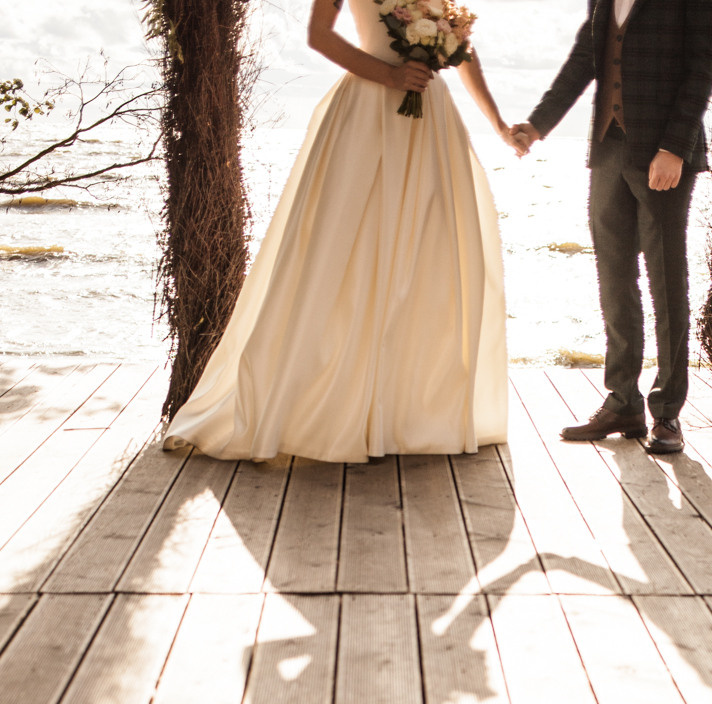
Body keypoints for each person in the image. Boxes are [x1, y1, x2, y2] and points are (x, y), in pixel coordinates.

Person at [163, 0, 518, 464]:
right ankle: (331, 407)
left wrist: (499, 125)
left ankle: (407, 414)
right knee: (342, 254)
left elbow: (462, 49)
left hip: (431, 121)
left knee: (430, 259)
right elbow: (319, 35)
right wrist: (390, 77)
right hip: (366, 114)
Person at [512, 0, 712, 454]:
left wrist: (674, 147)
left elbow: (705, 65)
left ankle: (667, 411)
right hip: (608, 148)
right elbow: (585, 59)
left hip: (664, 152)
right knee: (614, 278)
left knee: (666, 282)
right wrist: (537, 125)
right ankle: (623, 401)